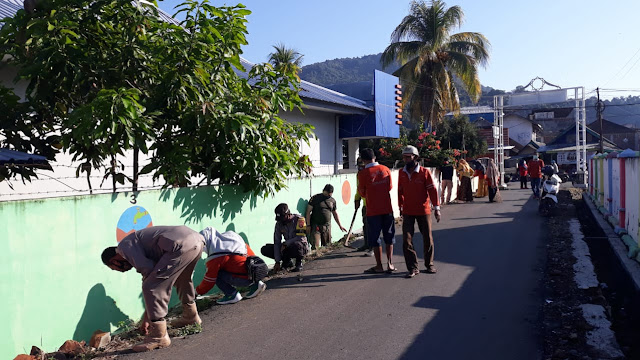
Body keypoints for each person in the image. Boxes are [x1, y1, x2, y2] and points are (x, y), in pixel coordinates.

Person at [101, 226, 204, 352]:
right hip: (196, 240)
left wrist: (148, 318)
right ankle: (191, 316)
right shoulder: (138, 244)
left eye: (114, 268)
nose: (121, 272)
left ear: (114, 261)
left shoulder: (124, 248)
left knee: (151, 286)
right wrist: (148, 315)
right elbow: (155, 275)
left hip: (178, 246)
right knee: (182, 279)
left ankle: (159, 336)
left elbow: (150, 276)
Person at [398, 145, 441, 278]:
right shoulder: (401, 172)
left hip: (423, 210)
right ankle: (412, 267)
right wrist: (400, 206)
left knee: (427, 238)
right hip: (408, 211)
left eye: (408, 157)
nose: (406, 159)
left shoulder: (424, 172)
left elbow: (432, 191)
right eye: (404, 157)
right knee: (406, 240)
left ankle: (429, 264)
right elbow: (400, 191)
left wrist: (436, 208)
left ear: (415, 157)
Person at [196, 227, 267, 305]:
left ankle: (232, 294)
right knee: (237, 267)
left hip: (244, 278)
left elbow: (209, 280)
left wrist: (196, 292)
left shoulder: (216, 255)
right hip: (255, 272)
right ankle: (256, 284)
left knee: (217, 274)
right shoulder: (232, 239)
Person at [357, 148, 396, 274]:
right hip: (387, 208)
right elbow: (390, 187)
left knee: (375, 238)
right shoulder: (385, 169)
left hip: (373, 210)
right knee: (389, 236)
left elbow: (362, 193)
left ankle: (379, 266)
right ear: (374, 156)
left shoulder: (362, 174)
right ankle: (390, 263)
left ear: (363, 160)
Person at [261, 203, 308, 272]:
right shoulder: (279, 224)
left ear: (288, 214)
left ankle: (299, 263)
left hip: (300, 246)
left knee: (297, 245)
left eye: (283, 218)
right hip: (286, 247)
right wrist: (277, 261)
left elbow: (301, 237)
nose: (281, 221)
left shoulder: (300, 220)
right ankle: (287, 262)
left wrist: (286, 243)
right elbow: (277, 241)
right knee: (266, 249)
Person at [306, 184, 347, 249]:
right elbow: (308, 212)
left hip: (327, 226)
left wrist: (340, 225)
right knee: (315, 246)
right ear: (324, 191)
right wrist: (308, 225)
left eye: (330, 194)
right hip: (316, 226)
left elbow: (334, 213)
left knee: (327, 246)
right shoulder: (315, 198)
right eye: (327, 193)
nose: (328, 195)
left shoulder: (332, 200)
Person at [354, 159, 373, 256]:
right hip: (365, 205)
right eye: (359, 166)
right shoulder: (359, 175)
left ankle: (372, 248)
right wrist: (357, 199)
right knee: (365, 226)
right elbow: (359, 188)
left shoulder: (369, 174)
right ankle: (366, 244)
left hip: (372, 205)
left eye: (362, 166)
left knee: (371, 227)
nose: (360, 168)